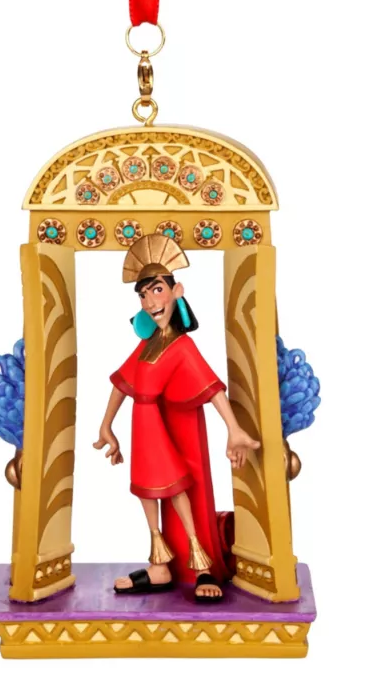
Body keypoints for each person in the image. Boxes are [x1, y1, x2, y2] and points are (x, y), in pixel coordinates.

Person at [93, 234, 260, 602]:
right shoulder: (147, 344)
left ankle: (201, 564)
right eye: (143, 295)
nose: (151, 302)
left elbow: (211, 387)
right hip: (143, 428)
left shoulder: (182, 345)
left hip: (162, 429)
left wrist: (233, 429)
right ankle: (160, 564)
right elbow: (122, 382)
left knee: (178, 487)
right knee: (147, 490)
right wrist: (107, 425)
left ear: (176, 290)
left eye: (157, 290)